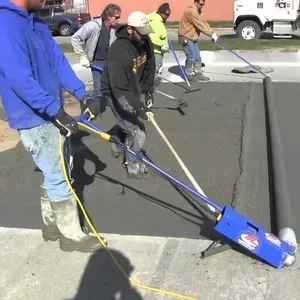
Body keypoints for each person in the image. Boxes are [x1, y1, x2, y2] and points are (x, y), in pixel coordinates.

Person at [0, 0, 103, 252]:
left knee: (57, 169)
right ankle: (71, 236)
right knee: (59, 174)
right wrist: (54, 111)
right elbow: (18, 77)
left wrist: (81, 94)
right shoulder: (5, 23)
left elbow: (57, 63)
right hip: (33, 115)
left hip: (49, 112)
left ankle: (51, 225)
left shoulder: (36, 24)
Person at [101, 11, 156, 179]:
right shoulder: (118, 50)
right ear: (131, 30)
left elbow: (149, 67)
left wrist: (148, 92)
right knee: (138, 132)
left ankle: (116, 135)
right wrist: (139, 108)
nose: (145, 37)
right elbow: (119, 88)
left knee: (128, 121)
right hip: (115, 93)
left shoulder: (144, 41)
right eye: (142, 33)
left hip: (132, 89)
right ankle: (132, 165)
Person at [71, 3, 121, 109]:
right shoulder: (93, 25)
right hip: (97, 62)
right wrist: (82, 56)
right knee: (98, 89)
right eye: (116, 17)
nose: (118, 20)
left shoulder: (113, 29)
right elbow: (75, 38)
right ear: (109, 16)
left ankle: (113, 108)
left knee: (111, 86)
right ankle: (94, 112)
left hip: (109, 61)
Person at [178, 0, 218, 81]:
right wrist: (210, 34)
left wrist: (212, 33)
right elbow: (200, 25)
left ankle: (198, 74)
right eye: (201, 4)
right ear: (195, 2)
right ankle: (188, 75)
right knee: (191, 56)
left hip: (193, 37)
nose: (202, 6)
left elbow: (204, 23)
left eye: (203, 4)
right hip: (185, 37)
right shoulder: (191, 11)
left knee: (197, 57)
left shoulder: (199, 11)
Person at [148, 3, 171, 86]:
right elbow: (152, 38)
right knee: (157, 65)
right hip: (156, 49)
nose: (167, 17)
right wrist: (162, 45)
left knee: (156, 65)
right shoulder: (156, 22)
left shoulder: (158, 19)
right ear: (161, 13)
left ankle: (153, 78)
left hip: (156, 49)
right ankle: (153, 80)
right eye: (166, 15)